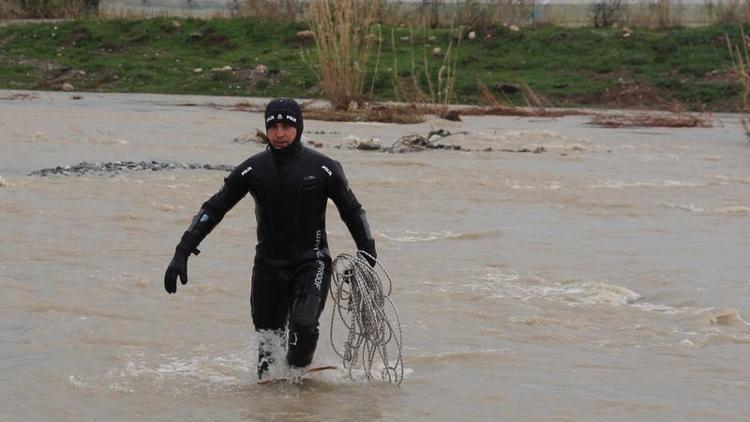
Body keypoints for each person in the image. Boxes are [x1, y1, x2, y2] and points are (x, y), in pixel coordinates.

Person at [163, 98, 377, 379]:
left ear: (298, 127)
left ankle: (299, 374)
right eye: (273, 126)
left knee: (303, 324)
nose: (279, 133)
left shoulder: (325, 168)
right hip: (268, 267)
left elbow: (352, 211)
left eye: (286, 126)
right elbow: (214, 208)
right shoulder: (252, 170)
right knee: (267, 351)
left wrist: (367, 253)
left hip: (312, 263)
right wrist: (183, 251)